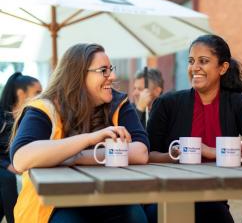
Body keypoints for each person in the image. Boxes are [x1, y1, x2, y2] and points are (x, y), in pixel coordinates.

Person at [9, 43, 150, 223]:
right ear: (79, 75)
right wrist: (90, 139)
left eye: (111, 69)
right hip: (54, 203)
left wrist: (78, 156)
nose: (112, 76)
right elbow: (21, 158)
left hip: (110, 197)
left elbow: (140, 151)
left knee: (135, 216)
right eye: (103, 70)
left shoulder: (117, 103)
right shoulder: (45, 107)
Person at [147, 34, 242, 223]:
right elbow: (147, 154)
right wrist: (176, 156)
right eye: (191, 61)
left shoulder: (236, 103)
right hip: (167, 197)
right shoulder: (167, 103)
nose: (195, 67)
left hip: (213, 200)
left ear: (223, 68)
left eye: (204, 61)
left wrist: (210, 151)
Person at [0, 72, 42, 223]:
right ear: (21, 93)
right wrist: (7, 165)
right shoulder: (2, 115)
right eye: (37, 92)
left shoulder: (32, 116)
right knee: (7, 178)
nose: (41, 96)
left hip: (19, 165)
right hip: (5, 167)